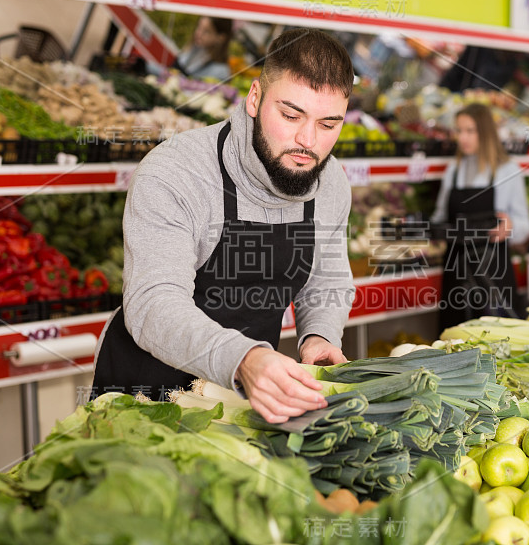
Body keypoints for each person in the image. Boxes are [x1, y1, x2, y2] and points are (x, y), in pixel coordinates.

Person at [93, 28, 356, 424]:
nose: (308, 140)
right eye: (290, 115)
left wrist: (320, 336)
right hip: (142, 395)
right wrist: (244, 358)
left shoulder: (331, 181)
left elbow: (326, 278)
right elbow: (153, 303)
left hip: (237, 400)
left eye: (328, 124)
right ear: (254, 98)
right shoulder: (176, 171)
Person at [431, 102, 529, 330]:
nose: (462, 138)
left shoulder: (508, 170)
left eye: (470, 130)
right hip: (456, 272)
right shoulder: (453, 171)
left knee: (497, 340)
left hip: (493, 272)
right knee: (454, 340)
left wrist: (510, 227)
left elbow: (525, 224)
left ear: (485, 132)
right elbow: (439, 217)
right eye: (459, 130)